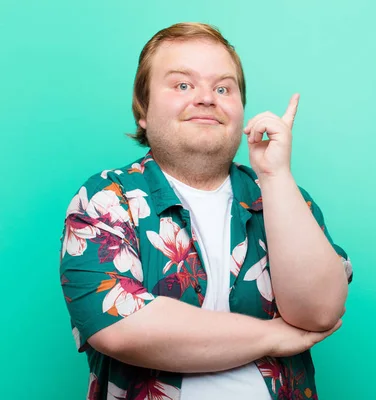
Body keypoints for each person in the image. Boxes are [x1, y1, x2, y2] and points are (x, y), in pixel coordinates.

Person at [59, 22, 353, 400]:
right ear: (143, 110)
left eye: (223, 88)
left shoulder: (286, 198)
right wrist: (276, 336)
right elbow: (121, 325)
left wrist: (276, 174)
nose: (206, 98)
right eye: (183, 85)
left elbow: (320, 312)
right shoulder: (106, 199)